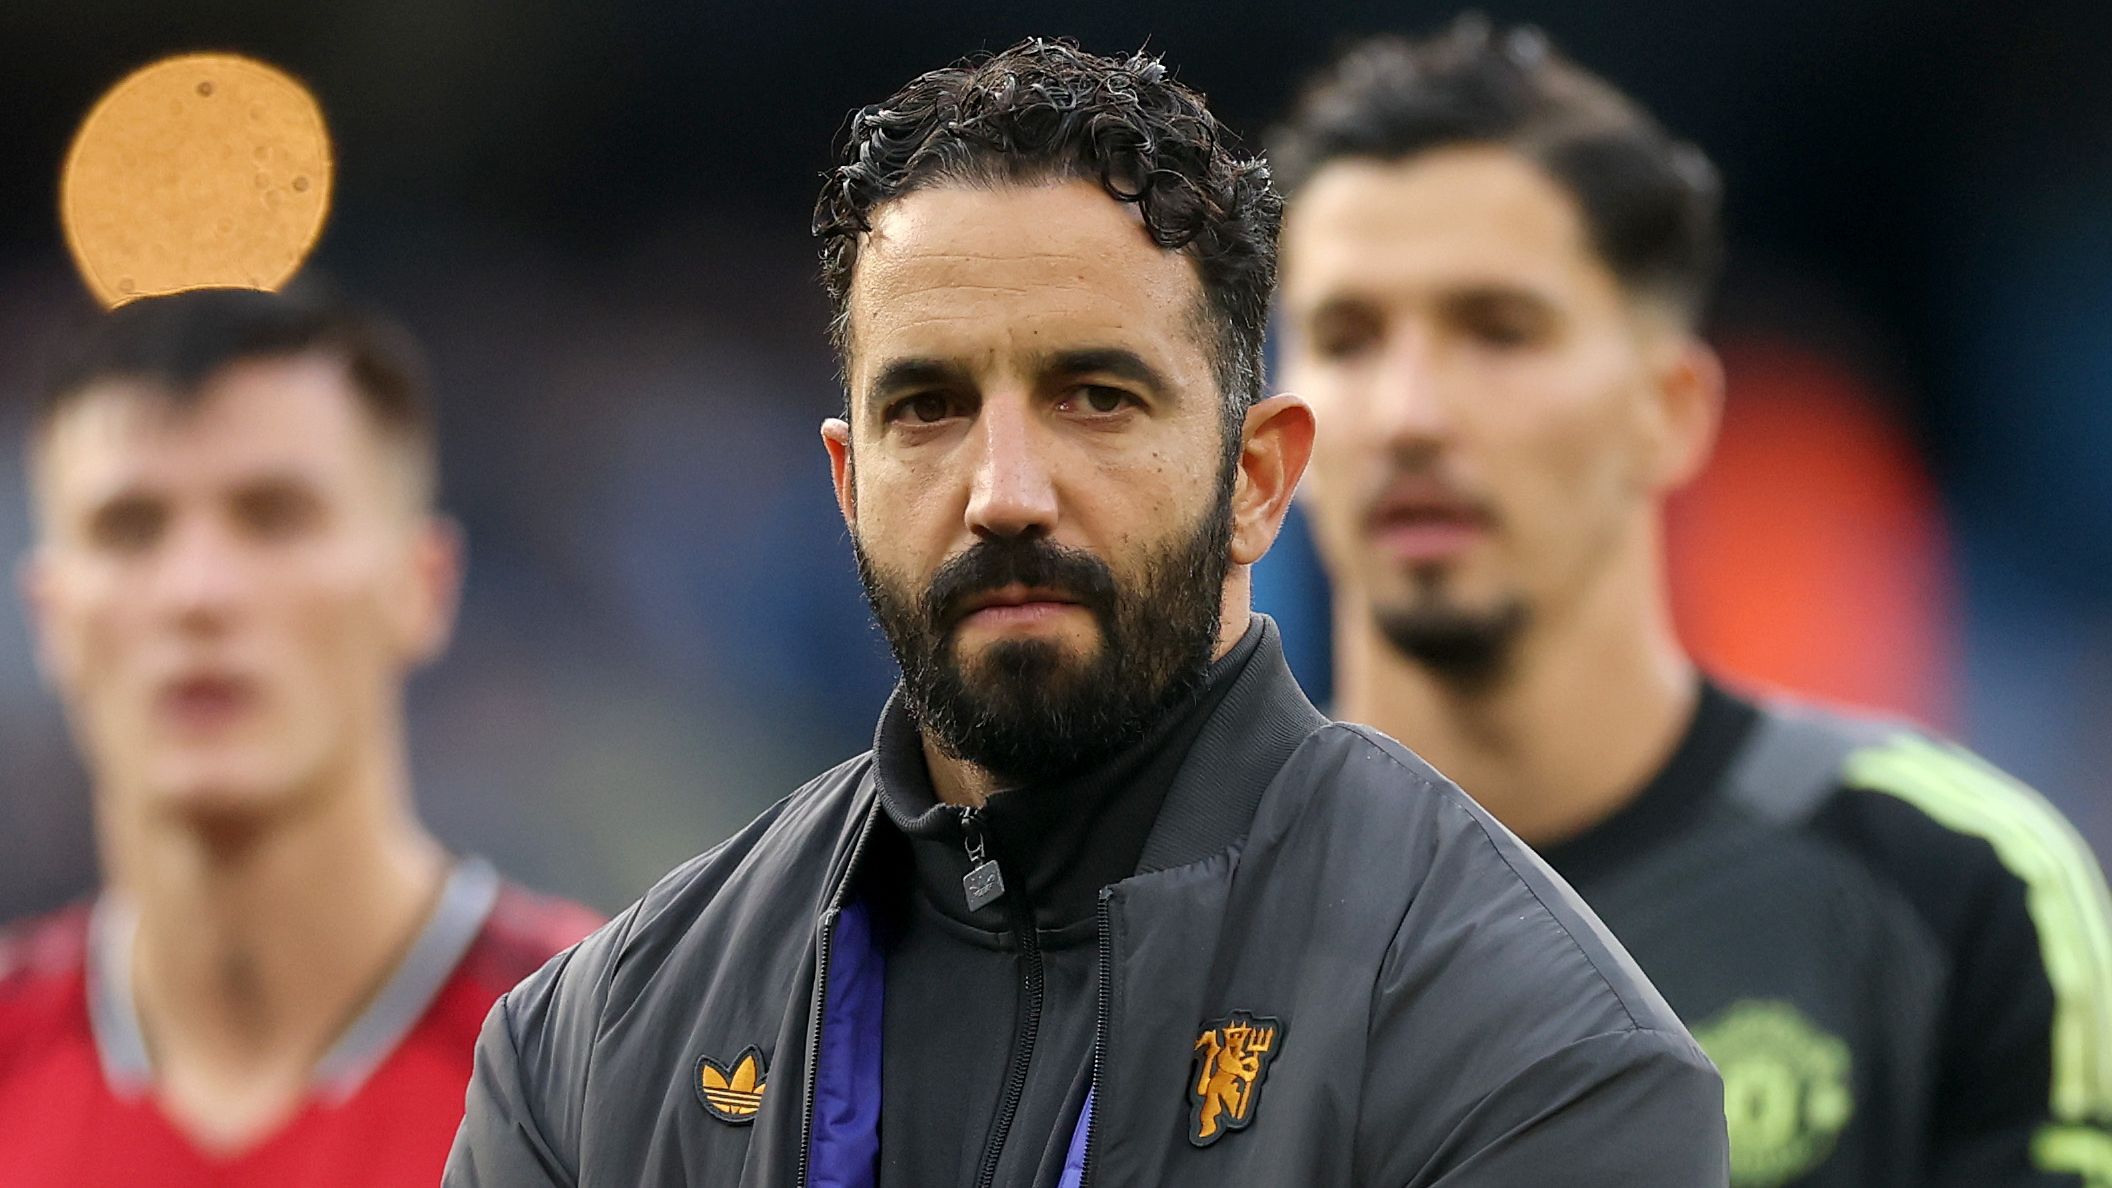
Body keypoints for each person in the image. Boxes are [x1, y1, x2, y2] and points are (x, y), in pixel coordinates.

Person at [447, 39, 1726, 1187]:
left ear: (1256, 479)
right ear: (848, 484)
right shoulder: (591, 1053)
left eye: (1096, 398)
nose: (1004, 493)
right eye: (929, 408)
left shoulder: (1525, 1046)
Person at [1269, 19, 2112, 1187]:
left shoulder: (1956, 892)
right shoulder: (1136, 928)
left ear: (1670, 410)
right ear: (1274, 432)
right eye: (1349, 339)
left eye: (1498, 332)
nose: (1411, 412)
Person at [0, 288, 602, 1186]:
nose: (198, 592)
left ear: (423, 585)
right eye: (130, 529)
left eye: (273, 515)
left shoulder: (611, 1058)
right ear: (49, 617)